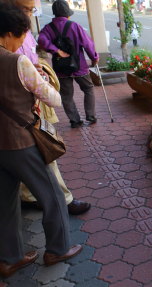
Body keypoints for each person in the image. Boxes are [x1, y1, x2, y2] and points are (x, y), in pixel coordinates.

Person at [0, 3, 82, 278]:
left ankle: (9, 258)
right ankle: (57, 249)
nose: (23, 41)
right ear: (9, 33)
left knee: (5, 202)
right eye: (21, 36)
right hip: (21, 142)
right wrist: (42, 75)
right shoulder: (18, 62)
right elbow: (54, 99)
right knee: (53, 196)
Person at [13, 0, 91, 215]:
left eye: (31, 10)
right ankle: (63, 200)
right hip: (32, 104)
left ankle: (29, 196)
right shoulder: (13, 53)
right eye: (27, 9)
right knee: (47, 151)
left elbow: (40, 48)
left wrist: (47, 60)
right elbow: (50, 97)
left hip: (44, 90)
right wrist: (92, 56)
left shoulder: (37, 30)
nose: (30, 14)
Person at [38, 0, 99, 129]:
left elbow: (41, 40)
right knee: (88, 89)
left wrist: (56, 50)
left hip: (61, 68)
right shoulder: (75, 26)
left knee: (66, 95)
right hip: (79, 66)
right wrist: (94, 58)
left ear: (54, 13)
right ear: (67, 13)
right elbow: (88, 44)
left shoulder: (48, 28)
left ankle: (75, 121)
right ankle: (91, 116)